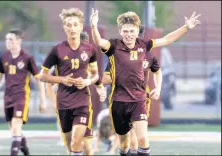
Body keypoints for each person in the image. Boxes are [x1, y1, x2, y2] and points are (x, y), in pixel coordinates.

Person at [90, 9, 201, 156]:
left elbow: (166, 40)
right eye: (125, 31)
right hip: (118, 101)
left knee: (142, 138)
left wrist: (186, 27)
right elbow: (98, 41)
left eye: (132, 31)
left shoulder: (144, 46)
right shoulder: (114, 46)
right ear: (120, 31)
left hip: (139, 100)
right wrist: (93, 26)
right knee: (124, 143)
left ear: (137, 31)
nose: (129, 34)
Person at [40, 8, 100, 155]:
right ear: (64, 27)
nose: (72, 28)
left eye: (75, 24)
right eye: (68, 25)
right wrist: (62, 80)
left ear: (80, 26)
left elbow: (95, 75)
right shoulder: (57, 50)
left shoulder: (90, 49)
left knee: (76, 141)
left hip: (82, 102)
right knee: (69, 144)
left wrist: (87, 82)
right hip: (64, 103)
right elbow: (43, 76)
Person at [0, 29, 47, 156]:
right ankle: (26, 152)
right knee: (14, 130)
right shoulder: (4, 57)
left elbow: (38, 79)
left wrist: (43, 100)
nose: (8, 42)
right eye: (6, 39)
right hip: (7, 97)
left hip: (21, 97)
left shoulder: (27, 58)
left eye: (11, 39)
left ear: (19, 41)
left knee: (15, 128)